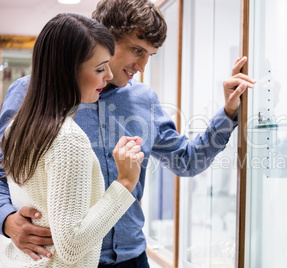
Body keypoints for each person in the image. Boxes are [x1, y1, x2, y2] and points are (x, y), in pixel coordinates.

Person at [0, 0, 256, 266]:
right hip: (65, 261)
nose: (142, 66)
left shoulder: (144, 99)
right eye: (137, 51)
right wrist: (7, 220)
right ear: (104, 38)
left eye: (150, 55)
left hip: (132, 258)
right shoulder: (30, 93)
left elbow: (187, 161)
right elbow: (3, 170)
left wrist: (228, 112)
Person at [0, 13, 144, 267]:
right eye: (99, 69)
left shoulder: (17, 127)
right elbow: (71, 246)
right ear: (67, 72)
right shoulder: (69, 140)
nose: (108, 76)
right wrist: (125, 182)